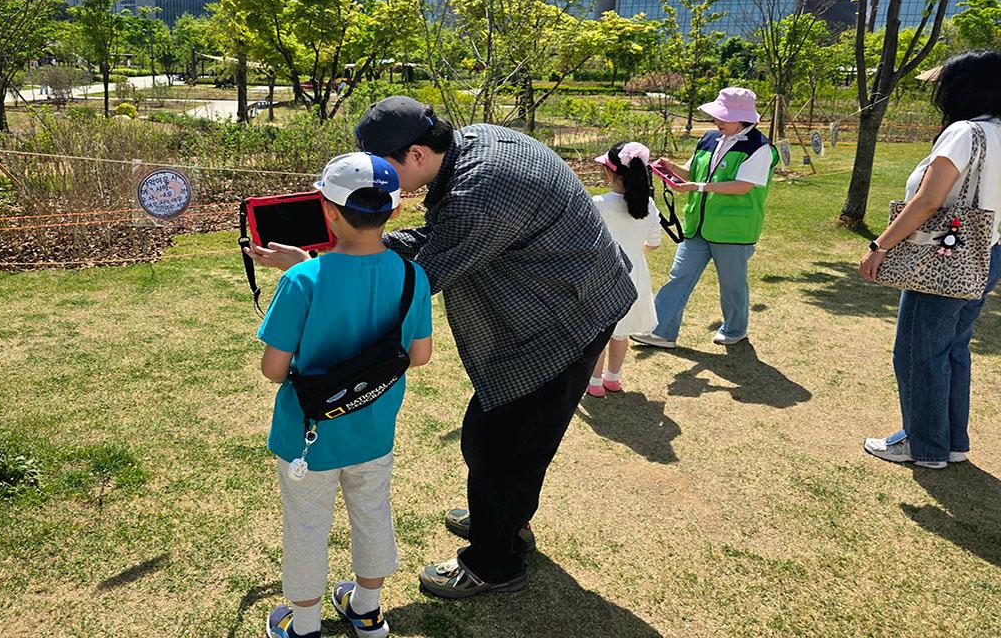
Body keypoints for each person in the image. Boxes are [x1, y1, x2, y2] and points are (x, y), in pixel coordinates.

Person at [249, 96, 636, 599]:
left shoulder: (480, 195)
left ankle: (495, 562)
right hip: (564, 297)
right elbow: (434, 238)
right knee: (506, 439)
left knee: (503, 444)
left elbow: (414, 280)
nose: (375, 180)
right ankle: (503, 520)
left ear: (415, 154)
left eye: (380, 167)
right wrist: (345, 253)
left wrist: (322, 269)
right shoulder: (472, 145)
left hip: (567, 320)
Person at [258, 151, 434, 638]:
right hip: (373, 430)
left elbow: (273, 369)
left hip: (307, 435)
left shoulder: (302, 280)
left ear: (327, 209)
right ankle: (367, 610)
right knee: (373, 514)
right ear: (395, 209)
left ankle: (304, 626)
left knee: (306, 525)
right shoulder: (412, 275)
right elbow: (419, 356)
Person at [861, 50, 1001, 470]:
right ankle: (951, 441)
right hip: (986, 253)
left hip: (945, 257)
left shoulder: (965, 132)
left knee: (917, 353)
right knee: (953, 350)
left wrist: (880, 246)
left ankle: (924, 446)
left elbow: (928, 200)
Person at [631, 87, 778, 349]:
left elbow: (742, 186)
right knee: (679, 276)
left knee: (732, 284)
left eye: (723, 117)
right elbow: (692, 173)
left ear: (742, 118)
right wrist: (671, 168)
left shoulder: (760, 147)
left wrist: (698, 187)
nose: (716, 120)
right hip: (697, 225)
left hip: (734, 230)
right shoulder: (710, 138)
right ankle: (659, 331)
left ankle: (735, 329)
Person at [588, 141, 662, 397]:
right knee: (621, 332)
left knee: (599, 332)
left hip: (602, 274)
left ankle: (594, 382)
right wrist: (634, 251)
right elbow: (654, 243)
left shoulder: (598, 203)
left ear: (610, 172)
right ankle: (613, 378)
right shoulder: (648, 205)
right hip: (635, 274)